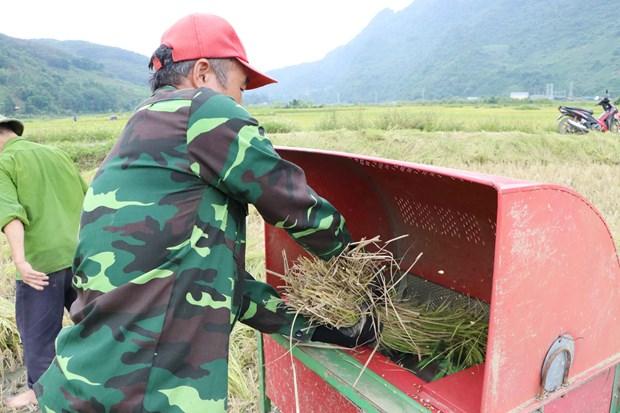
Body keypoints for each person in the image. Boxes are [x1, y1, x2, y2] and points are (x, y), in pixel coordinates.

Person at [35, 14, 373, 412]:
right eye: (240, 88)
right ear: (202, 73)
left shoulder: (142, 133)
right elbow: (291, 203)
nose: (241, 103)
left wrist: (316, 325)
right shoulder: (202, 110)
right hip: (143, 395)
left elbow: (218, 282)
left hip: (83, 387)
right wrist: (362, 269)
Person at [0, 115, 86, 409]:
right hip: (79, 257)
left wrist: (21, 262)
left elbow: (10, 215)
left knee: (38, 336)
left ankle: (41, 394)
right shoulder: (57, 154)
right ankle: (97, 380)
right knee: (91, 325)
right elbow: (88, 201)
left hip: (41, 267)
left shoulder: (3, 164)